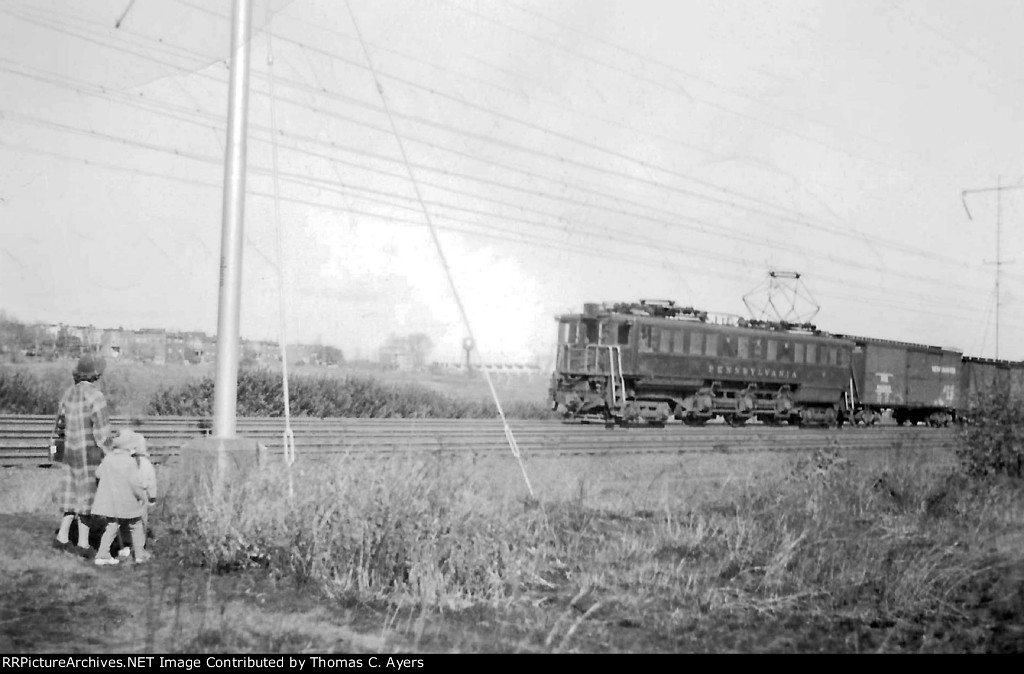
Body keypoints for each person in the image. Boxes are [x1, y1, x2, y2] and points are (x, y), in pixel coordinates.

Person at [52, 353, 113, 559]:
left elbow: (59, 426)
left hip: (71, 453)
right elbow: (102, 433)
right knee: (86, 500)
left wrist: (59, 449)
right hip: (89, 455)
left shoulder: (68, 394)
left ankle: (61, 537)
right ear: (96, 375)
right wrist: (110, 455)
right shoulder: (96, 397)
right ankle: (83, 542)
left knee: (71, 495)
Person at [91, 429, 150, 566]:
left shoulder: (108, 459)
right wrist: (142, 496)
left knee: (112, 526)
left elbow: (98, 474)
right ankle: (140, 554)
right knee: (135, 526)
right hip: (127, 502)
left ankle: (102, 554)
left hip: (111, 502)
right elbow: (134, 484)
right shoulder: (130, 462)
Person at [115, 429, 157, 560]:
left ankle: (125, 547)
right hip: (141, 496)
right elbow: (151, 482)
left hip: (124, 496)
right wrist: (152, 497)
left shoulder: (121, 462)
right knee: (140, 523)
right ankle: (139, 550)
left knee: (123, 522)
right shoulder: (146, 464)